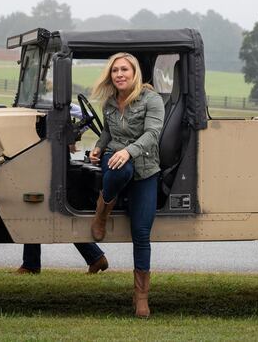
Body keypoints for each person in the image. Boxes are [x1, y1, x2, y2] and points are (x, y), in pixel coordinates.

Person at [89, 52, 165, 318]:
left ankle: (141, 296)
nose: (119, 74)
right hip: (115, 160)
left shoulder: (151, 100)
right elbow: (108, 132)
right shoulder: (110, 103)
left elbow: (153, 133)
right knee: (120, 168)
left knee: (141, 232)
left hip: (146, 166)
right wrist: (99, 147)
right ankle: (103, 210)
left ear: (135, 73)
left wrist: (129, 151)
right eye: (115, 70)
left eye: (124, 69)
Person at [15, 100, 109, 275]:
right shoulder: (44, 104)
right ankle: (95, 257)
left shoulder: (59, 104)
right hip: (50, 157)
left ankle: (31, 264)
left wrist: (71, 136)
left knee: (39, 210)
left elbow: (85, 116)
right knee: (43, 210)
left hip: (54, 161)